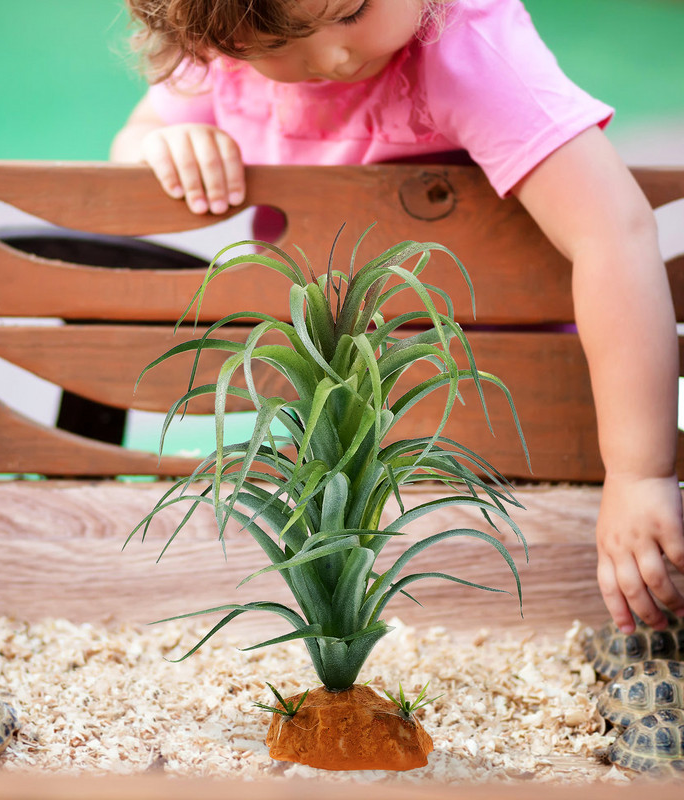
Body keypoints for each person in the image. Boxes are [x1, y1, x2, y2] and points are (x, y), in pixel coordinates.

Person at [111, 0, 684, 633]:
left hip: (488, 407)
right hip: (332, 421)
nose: (333, 55)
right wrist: (163, 144)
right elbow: (133, 143)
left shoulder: (464, 51)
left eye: (354, 11)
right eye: (282, 39)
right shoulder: (222, 51)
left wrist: (638, 472)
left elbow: (613, 230)